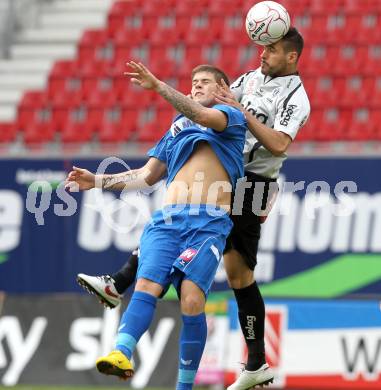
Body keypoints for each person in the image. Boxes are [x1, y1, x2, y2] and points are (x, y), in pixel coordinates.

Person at [78, 27, 310, 389]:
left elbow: (278, 143)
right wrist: (97, 180)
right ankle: (119, 284)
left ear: (291, 56)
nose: (261, 53)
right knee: (178, 225)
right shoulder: (243, 82)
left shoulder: (295, 97)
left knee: (238, 276)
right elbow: (151, 170)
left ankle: (256, 363)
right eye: (262, 47)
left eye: (272, 49)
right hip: (219, 179)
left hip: (255, 182)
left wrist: (234, 112)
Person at [67, 62, 247, 390]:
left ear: (223, 89)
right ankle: (121, 351)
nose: (196, 86)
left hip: (208, 222)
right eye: (193, 82)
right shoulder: (177, 126)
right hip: (166, 220)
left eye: (205, 82)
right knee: (146, 285)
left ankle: (184, 386)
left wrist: (160, 87)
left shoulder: (230, 117)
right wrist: (97, 181)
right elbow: (147, 175)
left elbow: (204, 116)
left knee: (191, 299)